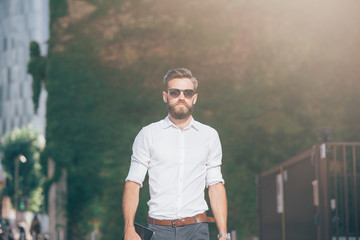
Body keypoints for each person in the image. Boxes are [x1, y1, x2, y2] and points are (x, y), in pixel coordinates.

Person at [123, 68, 229, 240]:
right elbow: (133, 182)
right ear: (165, 96)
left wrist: (223, 234)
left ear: (194, 98)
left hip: (197, 229)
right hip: (158, 230)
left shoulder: (209, 135)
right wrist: (129, 228)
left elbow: (215, 184)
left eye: (187, 92)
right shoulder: (148, 134)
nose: (181, 97)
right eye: (175, 92)